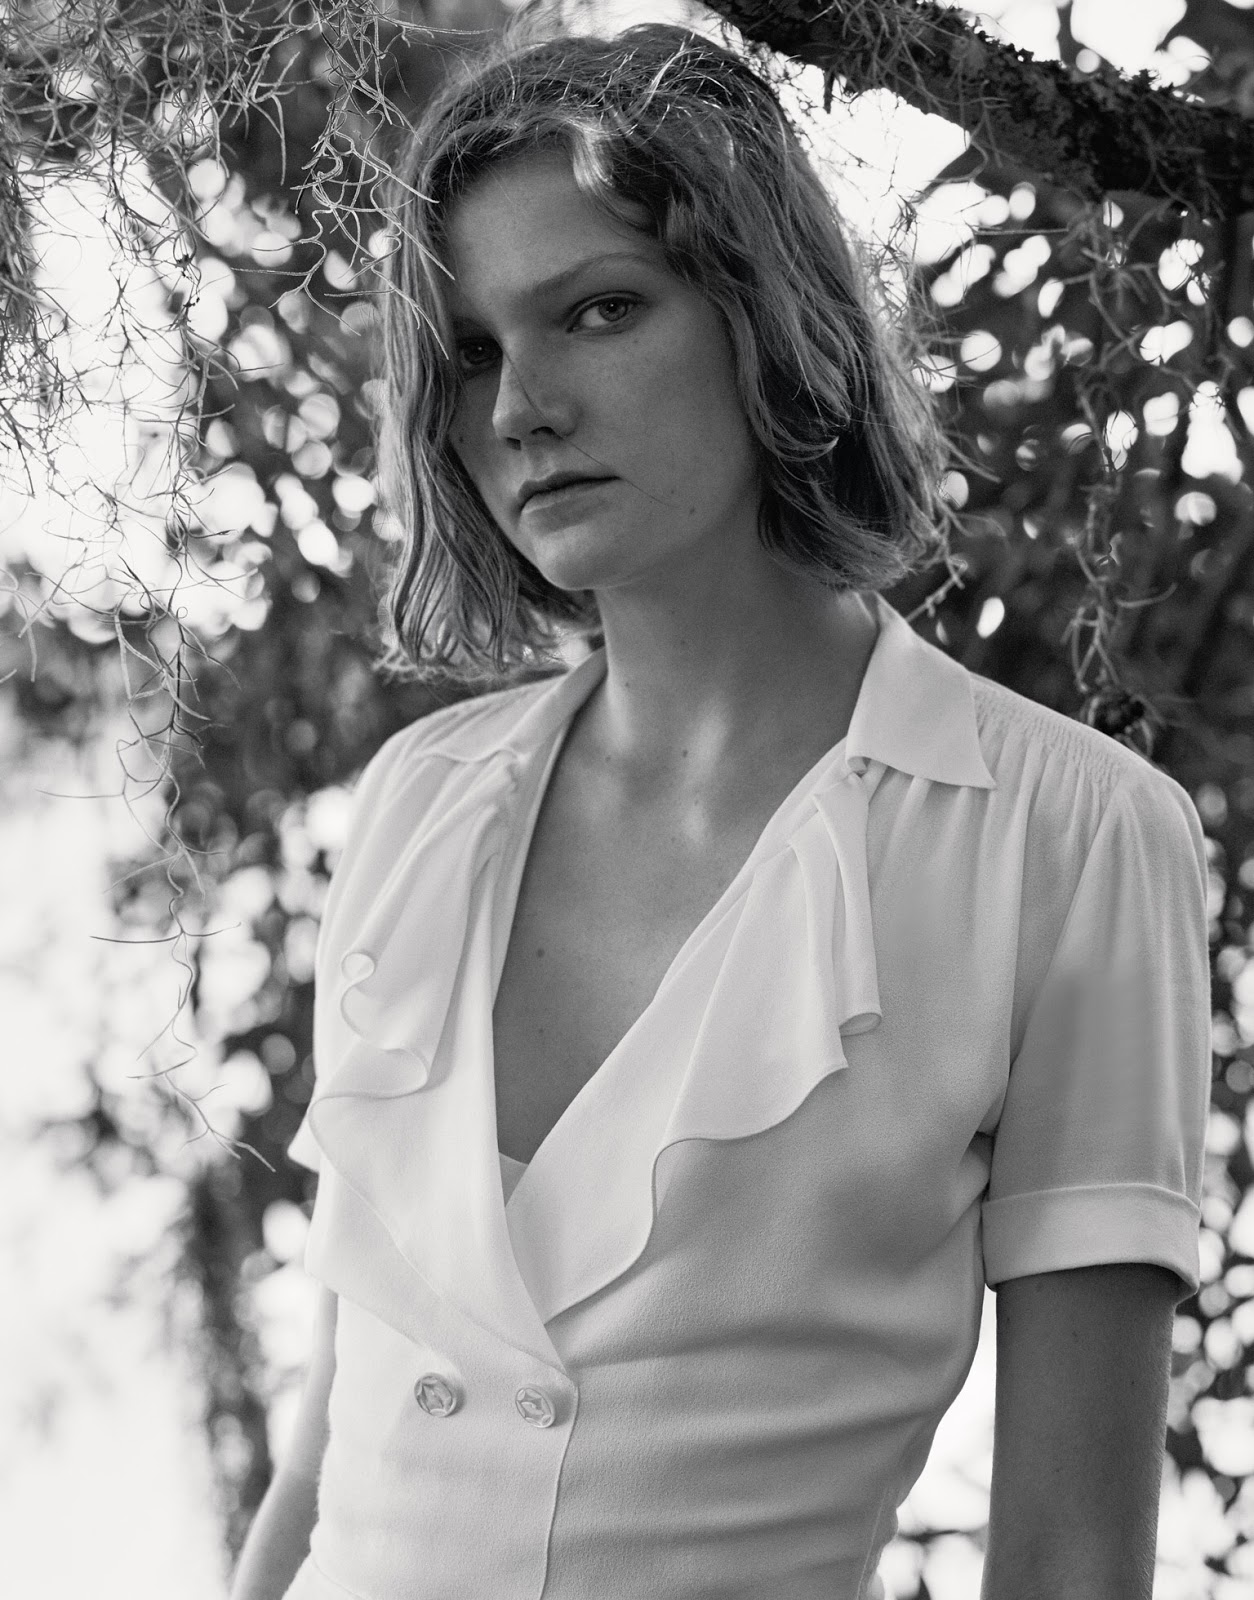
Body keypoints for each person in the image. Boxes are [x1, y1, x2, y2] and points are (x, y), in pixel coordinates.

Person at [229, 20, 1211, 1600]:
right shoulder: (419, 801)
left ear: (766, 318)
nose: (521, 407)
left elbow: (1072, 1557)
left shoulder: (1068, 838)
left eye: (599, 310)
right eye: (472, 352)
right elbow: (323, 1461)